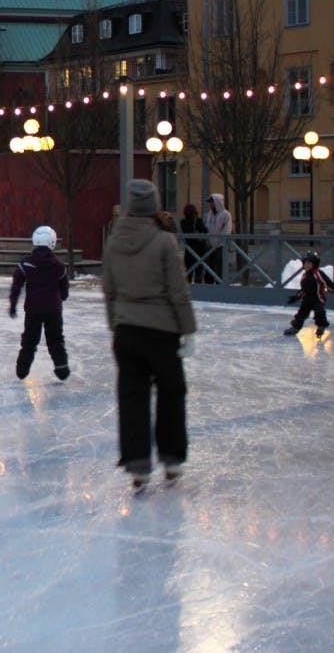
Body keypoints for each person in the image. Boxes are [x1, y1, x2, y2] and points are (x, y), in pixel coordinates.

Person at [102, 180, 197, 491]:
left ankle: (138, 466)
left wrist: (115, 323)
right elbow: (178, 290)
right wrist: (188, 329)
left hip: (127, 330)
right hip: (161, 330)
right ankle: (171, 458)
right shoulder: (164, 241)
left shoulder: (114, 240)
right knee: (171, 393)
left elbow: (109, 288)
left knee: (132, 397)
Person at [8, 225, 70, 381]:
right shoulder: (59, 266)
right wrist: (61, 298)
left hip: (33, 310)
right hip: (53, 310)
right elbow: (64, 289)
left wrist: (13, 304)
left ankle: (22, 370)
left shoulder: (26, 264)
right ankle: (62, 369)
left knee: (29, 341)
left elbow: (16, 286)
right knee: (56, 340)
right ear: (53, 242)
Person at [283, 251, 334, 338]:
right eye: (305, 263)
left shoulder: (318, 273)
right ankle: (295, 327)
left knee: (319, 312)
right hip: (307, 299)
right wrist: (296, 297)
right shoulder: (304, 275)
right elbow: (304, 289)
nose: (307, 265)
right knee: (301, 314)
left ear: (314, 264)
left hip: (318, 298)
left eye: (309, 263)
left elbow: (327, 282)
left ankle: (321, 326)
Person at [201, 194, 231, 284]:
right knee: (208, 268)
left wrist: (217, 243)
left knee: (219, 268)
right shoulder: (209, 215)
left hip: (220, 247)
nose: (210, 204)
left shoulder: (226, 215)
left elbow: (226, 230)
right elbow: (206, 228)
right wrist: (207, 241)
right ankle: (209, 286)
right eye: (210, 202)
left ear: (217, 202)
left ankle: (220, 286)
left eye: (212, 202)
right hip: (209, 246)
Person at [178, 204, 207, 283]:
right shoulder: (198, 221)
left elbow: (186, 231)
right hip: (200, 249)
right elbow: (205, 231)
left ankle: (189, 289)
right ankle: (199, 290)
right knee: (199, 272)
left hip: (189, 250)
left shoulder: (183, 222)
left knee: (189, 272)